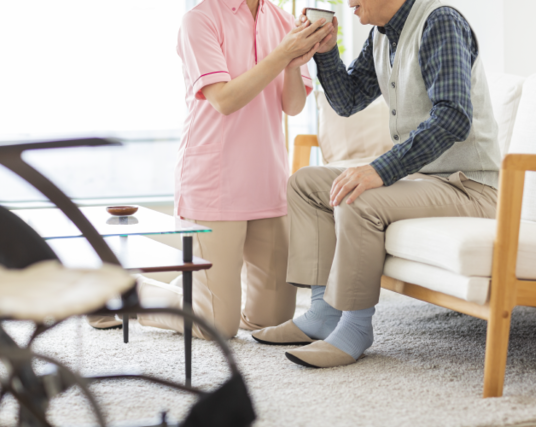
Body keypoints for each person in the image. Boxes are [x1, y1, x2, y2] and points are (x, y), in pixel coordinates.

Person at [251, 0, 501, 367]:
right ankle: (322, 314)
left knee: (359, 195)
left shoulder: (440, 22)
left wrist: (379, 170)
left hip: (470, 188)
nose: (348, 1)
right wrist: (326, 52)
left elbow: (453, 117)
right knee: (306, 184)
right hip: (425, 180)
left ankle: (355, 328)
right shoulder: (382, 35)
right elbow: (349, 100)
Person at [130, 0, 334, 339]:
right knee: (215, 327)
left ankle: (199, 285)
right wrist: (282, 55)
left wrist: (294, 61)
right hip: (215, 182)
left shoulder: (283, 21)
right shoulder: (200, 20)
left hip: (267, 182)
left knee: (270, 320)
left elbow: (293, 106)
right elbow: (224, 100)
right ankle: (134, 293)